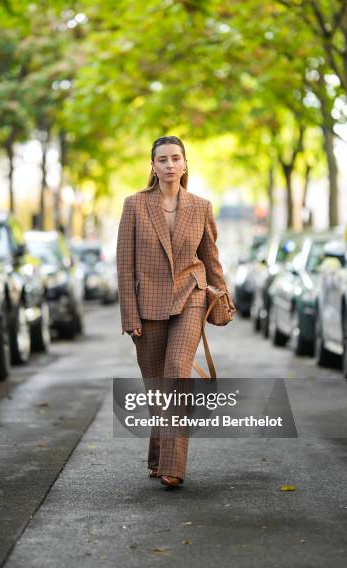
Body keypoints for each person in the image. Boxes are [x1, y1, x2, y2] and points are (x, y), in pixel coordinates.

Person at [116, 135, 230, 488]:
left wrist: (221, 294)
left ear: (184, 164)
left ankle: (173, 467)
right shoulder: (134, 205)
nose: (169, 165)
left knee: (177, 373)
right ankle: (158, 456)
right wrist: (129, 315)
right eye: (162, 159)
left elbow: (210, 258)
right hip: (147, 304)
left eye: (175, 158)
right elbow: (125, 265)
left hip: (190, 297)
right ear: (153, 166)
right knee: (157, 388)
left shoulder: (201, 206)